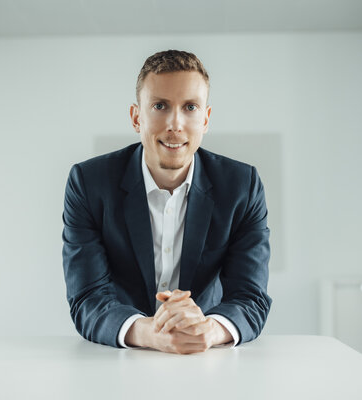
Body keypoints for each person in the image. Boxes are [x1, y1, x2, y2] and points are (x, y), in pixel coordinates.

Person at [62, 50, 271, 354]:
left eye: (190, 107)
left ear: (206, 118)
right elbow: (87, 298)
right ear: (137, 117)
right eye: (160, 106)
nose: (175, 124)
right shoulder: (88, 183)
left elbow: (251, 297)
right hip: (115, 358)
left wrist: (209, 330)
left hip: (207, 358)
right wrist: (148, 333)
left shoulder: (242, 187)